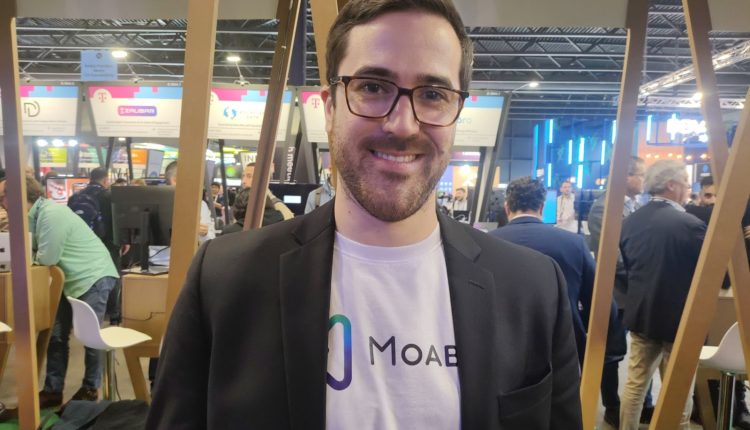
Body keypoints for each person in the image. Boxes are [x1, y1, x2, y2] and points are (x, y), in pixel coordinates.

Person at [147, 1, 582, 428]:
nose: (403, 125)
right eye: (373, 87)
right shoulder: (225, 280)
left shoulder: (532, 288)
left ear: (456, 114)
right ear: (330, 107)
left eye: (433, 94)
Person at [1, 176, 119, 410]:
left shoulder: (51, 214)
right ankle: (53, 390)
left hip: (93, 276)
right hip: (67, 281)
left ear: (18, 196)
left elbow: (47, 257)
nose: (1, 202)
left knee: (90, 338)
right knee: (55, 336)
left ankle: (90, 389)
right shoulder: (31, 217)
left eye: (2, 196)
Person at [618, 160, 704, 429]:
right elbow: (709, 275)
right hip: (680, 320)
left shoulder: (630, 222)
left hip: (642, 315)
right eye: (686, 184)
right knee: (679, 388)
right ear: (671, 185)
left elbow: (627, 268)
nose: (689, 190)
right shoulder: (690, 225)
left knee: (635, 385)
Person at [490, 176, 598, 366]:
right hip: (562, 346)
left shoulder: (485, 243)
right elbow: (595, 298)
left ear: (507, 208)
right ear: (542, 207)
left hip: (500, 349)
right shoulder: (574, 243)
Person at [587, 156, 652, 426]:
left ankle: (644, 405)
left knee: (645, 351)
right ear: (626, 176)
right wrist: (644, 272)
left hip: (639, 291)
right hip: (616, 293)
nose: (644, 181)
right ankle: (612, 405)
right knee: (611, 353)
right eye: (640, 175)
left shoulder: (638, 206)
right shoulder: (603, 208)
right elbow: (612, 256)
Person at [68, 167, 122, 323]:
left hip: (83, 245)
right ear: (105, 180)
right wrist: (121, 240)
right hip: (107, 242)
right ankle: (113, 314)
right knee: (112, 274)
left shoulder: (76, 197)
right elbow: (115, 220)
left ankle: (82, 309)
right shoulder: (109, 196)